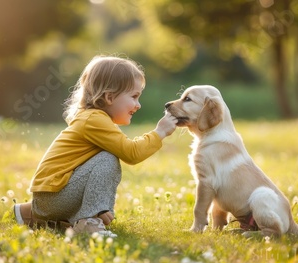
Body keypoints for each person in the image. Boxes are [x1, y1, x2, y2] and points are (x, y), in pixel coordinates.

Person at [13, 55, 178, 237]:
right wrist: (160, 132)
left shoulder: (94, 119)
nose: (138, 105)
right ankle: (87, 222)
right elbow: (132, 153)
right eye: (134, 96)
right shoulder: (94, 120)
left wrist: (101, 208)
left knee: (106, 157)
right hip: (52, 199)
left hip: (49, 198)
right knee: (108, 159)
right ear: (109, 97)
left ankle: (32, 214)